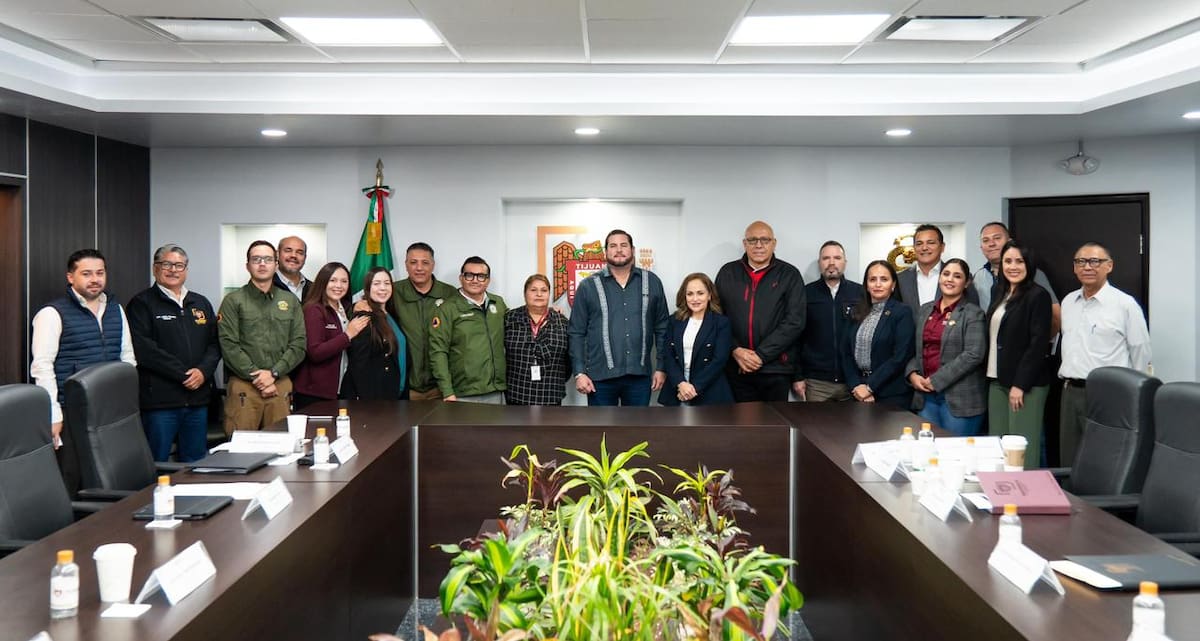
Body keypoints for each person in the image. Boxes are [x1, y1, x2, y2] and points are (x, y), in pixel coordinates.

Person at [31, 248, 137, 493]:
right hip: (71, 409)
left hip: (109, 408)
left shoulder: (115, 309)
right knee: (73, 476)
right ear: (71, 277)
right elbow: (42, 367)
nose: (95, 279)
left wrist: (126, 401)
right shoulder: (52, 313)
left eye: (100, 273)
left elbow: (127, 359)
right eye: (86, 273)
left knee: (109, 475)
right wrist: (53, 414)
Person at [1058, 241, 1152, 466]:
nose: (1087, 267)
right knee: (1069, 460)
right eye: (1080, 261)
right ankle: (1073, 502)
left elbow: (1141, 351)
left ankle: (1100, 503)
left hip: (1109, 394)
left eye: (1094, 261)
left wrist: (1135, 396)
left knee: (1104, 461)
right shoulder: (1069, 302)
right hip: (1071, 392)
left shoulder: (1124, 304)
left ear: (1109, 266)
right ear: (1074, 267)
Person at [126, 244, 220, 462]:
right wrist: (184, 374)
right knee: (156, 462)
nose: (173, 270)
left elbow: (214, 344)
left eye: (179, 265)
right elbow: (144, 349)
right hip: (161, 402)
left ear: (186, 269)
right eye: (166, 264)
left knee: (195, 463)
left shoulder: (200, 303)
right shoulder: (141, 304)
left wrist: (203, 372)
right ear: (155, 268)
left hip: (197, 399)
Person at [568, 229, 670, 406]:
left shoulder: (652, 282)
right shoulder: (588, 286)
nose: (619, 250)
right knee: (603, 432)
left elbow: (662, 328)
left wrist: (662, 367)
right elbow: (576, 332)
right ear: (606, 251)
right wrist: (579, 372)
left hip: (639, 377)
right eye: (613, 246)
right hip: (599, 378)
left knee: (637, 432)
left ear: (633, 250)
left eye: (624, 245)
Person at [218, 240, 307, 433]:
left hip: (280, 383)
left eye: (268, 259)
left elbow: (299, 344)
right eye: (256, 259)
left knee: (281, 451)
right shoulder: (233, 301)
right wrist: (259, 377)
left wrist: (274, 373)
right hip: (244, 385)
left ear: (276, 264)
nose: (262, 264)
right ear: (247, 265)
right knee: (240, 451)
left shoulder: (290, 301)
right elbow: (229, 345)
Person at [714, 221, 806, 402]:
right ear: (744, 243)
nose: (758, 245)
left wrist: (760, 355)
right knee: (740, 426)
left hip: (776, 368)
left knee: (774, 426)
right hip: (736, 368)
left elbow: (795, 321)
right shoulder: (727, 272)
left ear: (774, 243)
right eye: (753, 240)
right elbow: (717, 317)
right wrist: (735, 350)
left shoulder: (789, 274)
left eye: (765, 240)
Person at [985, 241, 1053, 461]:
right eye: (1008, 261)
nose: (1013, 266)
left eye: (1019, 261)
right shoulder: (1000, 290)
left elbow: (1038, 344)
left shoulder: (1037, 295)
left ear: (1029, 265)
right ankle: (1002, 494)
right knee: (998, 447)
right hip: (997, 379)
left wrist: (1020, 384)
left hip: (1025, 386)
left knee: (1022, 450)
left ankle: (1028, 494)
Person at [905, 259, 987, 436]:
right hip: (925, 397)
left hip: (959, 399)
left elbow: (974, 354)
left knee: (956, 457)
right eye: (946, 274)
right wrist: (912, 374)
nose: (950, 279)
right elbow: (916, 350)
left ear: (966, 283)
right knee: (928, 454)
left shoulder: (973, 313)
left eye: (957, 276)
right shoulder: (925, 310)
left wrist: (936, 380)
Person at [291, 262, 370, 408]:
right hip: (315, 393)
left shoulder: (345, 309)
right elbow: (315, 352)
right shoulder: (314, 310)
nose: (338, 285)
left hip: (341, 389)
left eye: (344, 281)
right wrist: (348, 335)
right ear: (323, 282)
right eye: (333, 280)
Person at [429, 256, 507, 404]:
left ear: (488, 280)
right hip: (463, 394)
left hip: (496, 390)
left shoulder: (498, 303)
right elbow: (438, 351)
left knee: (496, 428)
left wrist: (547, 311)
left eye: (481, 276)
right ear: (461, 278)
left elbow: (520, 320)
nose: (475, 280)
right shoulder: (447, 309)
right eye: (469, 275)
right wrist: (447, 391)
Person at [841, 260, 915, 409]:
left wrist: (869, 387)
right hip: (858, 391)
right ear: (866, 285)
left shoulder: (902, 312)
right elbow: (845, 352)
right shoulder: (856, 311)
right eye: (872, 279)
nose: (878, 284)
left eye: (884, 279)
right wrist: (856, 385)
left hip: (891, 394)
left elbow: (900, 357)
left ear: (893, 285)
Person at [392, 242, 459, 401]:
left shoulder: (449, 293)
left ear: (433, 265)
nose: (419, 268)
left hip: (441, 388)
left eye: (425, 263)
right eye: (413, 262)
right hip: (406, 387)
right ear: (406, 265)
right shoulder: (392, 292)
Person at [795, 240, 861, 401]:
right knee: (816, 426)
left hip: (854, 381)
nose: (831, 263)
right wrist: (797, 376)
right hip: (817, 383)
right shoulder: (805, 293)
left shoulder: (860, 293)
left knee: (855, 426)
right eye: (826, 258)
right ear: (820, 263)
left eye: (837, 258)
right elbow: (796, 337)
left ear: (845, 262)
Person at [660, 273, 734, 406]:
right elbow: (668, 356)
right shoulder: (674, 320)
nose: (695, 299)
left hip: (709, 389)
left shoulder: (721, 323)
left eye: (700, 293)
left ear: (709, 295)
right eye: (690, 294)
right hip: (677, 389)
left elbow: (719, 360)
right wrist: (681, 384)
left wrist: (693, 388)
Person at [973, 221, 1060, 333]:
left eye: (997, 238)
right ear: (981, 247)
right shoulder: (978, 277)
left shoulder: (1032, 273)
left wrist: (1040, 344)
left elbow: (1055, 315)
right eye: (986, 240)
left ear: (1009, 242)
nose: (991, 244)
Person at [504, 274, 570, 405]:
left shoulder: (562, 322)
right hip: (517, 393)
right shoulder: (509, 318)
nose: (539, 294)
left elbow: (569, 359)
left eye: (544, 290)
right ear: (525, 293)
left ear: (549, 294)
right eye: (533, 290)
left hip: (551, 394)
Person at [343, 267, 407, 401]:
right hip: (374, 399)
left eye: (387, 283)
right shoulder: (364, 317)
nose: (383, 288)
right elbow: (359, 364)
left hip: (395, 393)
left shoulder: (390, 314)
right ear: (368, 288)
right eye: (376, 283)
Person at [897, 224, 946, 316]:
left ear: (942, 247)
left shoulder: (958, 277)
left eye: (930, 243)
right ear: (914, 248)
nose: (924, 248)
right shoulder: (900, 279)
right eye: (919, 244)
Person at [272, 235, 310, 301]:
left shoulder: (315, 289)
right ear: (277, 254)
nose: (293, 255)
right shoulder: (266, 286)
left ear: (305, 258)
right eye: (288, 250)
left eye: (300, 252)